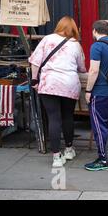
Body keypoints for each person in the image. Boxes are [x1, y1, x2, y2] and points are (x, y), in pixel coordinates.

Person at [29, 16, 86, 168]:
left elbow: (35, 61)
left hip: (49, 83)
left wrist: (34, 80)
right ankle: (68, 149)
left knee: (54, 118)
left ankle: (56, 157)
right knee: (68, 116)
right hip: (69, 84)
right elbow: (82, 68)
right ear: (73, 28)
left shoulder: (47, 39)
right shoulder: (76, 45)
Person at [84, 20, 108, 171]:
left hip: (100, 92)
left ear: (94, 31)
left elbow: (93, 71)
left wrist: (88, 91)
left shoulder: (97, 46)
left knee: (99, 125)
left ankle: (103, 158)